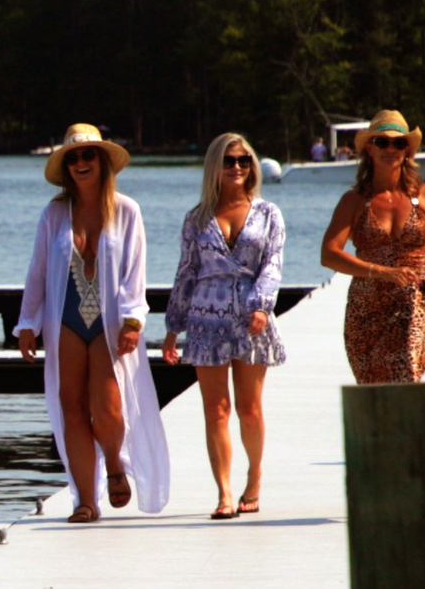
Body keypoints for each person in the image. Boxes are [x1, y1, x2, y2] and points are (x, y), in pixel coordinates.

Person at [16, 123, 170, 522]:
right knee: (72, 408)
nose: (81, 163)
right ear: (66, 167)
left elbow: (136, 270)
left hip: (110, 321)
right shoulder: (54, 214)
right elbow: (37, 271)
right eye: (73, 158)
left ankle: (116, 465)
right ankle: (85, 500)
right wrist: (27, 323)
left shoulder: (127, 210)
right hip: (63, 320)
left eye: (88, 156)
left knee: (106, 407)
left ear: (102, 162)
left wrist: (134, 321)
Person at [162, 133, 286, 518]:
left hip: (251, 315)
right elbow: (186, 273)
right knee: (215, 410)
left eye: (244, 160)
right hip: (205, 317)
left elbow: (273, 265)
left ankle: (254, 478)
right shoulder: (196, 218)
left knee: (249, 409)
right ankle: (225, 493)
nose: (237, 167)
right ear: (214, 166)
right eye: (229, 161)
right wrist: (172, 326)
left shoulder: (268, 214)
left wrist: (263, 307)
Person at [319, 108, 425, 382]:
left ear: (408, 151)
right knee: (374, 395)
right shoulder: (353, 201)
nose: (391, 148)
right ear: (369, 148)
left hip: (413, 305)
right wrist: (381, 271)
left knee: (406, 376)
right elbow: (329, 255)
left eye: (399, 143)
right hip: (366, 310)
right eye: (382, 142)